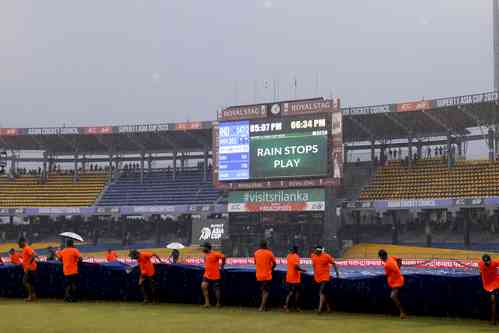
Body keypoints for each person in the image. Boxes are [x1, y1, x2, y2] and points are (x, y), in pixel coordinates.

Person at [378, 249, 407, 319]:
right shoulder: (390, 257)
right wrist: (399, 267)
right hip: (398, 280)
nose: (381, 259)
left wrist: (397, 270)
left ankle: (402, 312)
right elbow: (399, 259)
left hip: (397, 282)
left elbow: (388, 274)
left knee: (393, 296)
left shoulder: (387, 265)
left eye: (380, 257)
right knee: (393, 296)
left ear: (382, 257)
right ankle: (399, 312)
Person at [311, 245, 339, 313]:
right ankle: (328, 308)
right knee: (323, 294)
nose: (317, 252)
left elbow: (334, 264)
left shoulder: (326, 256)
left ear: (321, 251)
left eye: (318, 251)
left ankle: (319, 309)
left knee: (321, 292)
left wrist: (337, 273)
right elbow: (314, 265)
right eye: (316, 251)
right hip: (317, 278)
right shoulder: (313, 256)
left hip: (325, 277)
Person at [201, 242, 226, 308]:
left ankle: (218, 303)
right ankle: (207, 303)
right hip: (206, 275)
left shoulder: (215, 253)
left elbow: (223, 257)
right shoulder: (205, 255)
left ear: (207, 247)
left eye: (204, 247)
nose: (202, 248)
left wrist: (222, 265)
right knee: (203, 286)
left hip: (215, 275)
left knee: (216, 290)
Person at [254, 240, 276, 312]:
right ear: (266, 245)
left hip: (259, 275)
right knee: (266, 292)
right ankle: (261, 307)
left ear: (260, 245)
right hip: (267, 275)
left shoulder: (256, 253)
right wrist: (271, 268)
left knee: (263, 291)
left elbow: (255, 262)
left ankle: (264, 307)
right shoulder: (269, 253)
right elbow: (275, 263)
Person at [284, 246, 306, 312]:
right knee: (295, 293)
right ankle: (294, 307)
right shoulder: (296, 256)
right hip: (295, 278)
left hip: (289, 277)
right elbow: (296, 267)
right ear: (296, 250)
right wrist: (303, 270)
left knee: (291, 293)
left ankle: (288, 306)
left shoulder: (288, 256)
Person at [479, 254, 499, 325]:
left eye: (488, 261)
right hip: (488, 286)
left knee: (493, 300)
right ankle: (493, 320)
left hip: (497, 283)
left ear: (490, 260)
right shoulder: (481, 264)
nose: (487, 262)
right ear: (483, 261)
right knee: (493, 300)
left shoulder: (494, 263)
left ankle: (493, 320)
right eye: (486, 261)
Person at [18, 237, 38, 301]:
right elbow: (34, 255)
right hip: (30, 268)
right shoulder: (25, 248)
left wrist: (28, 265)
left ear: (22, 242)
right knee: (30, 282)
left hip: (29, 269)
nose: (18, 245)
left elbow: (33, 255)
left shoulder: (27, 248)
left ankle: (30, 296)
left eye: (19, 243)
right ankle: (33, 296)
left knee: (25, 281)